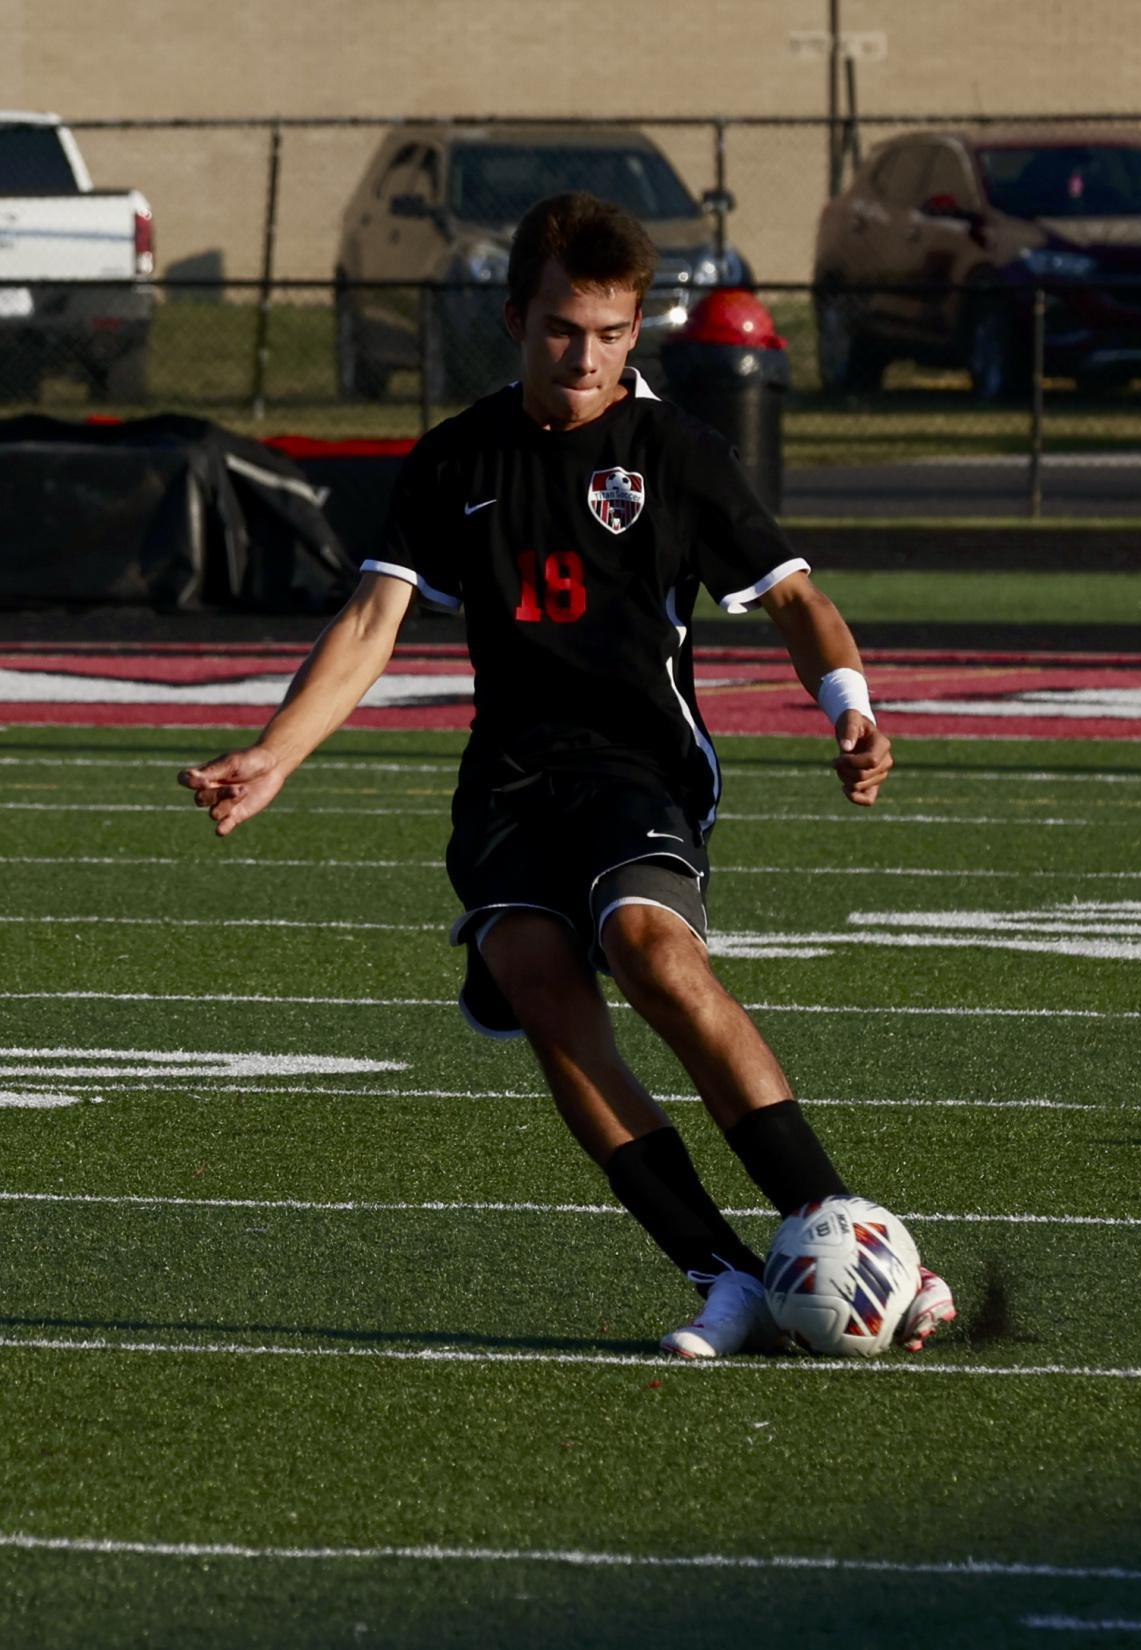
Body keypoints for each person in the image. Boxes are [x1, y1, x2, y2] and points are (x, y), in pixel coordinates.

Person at [179, 191, 955, 1360]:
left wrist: (849, 707)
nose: (583, 357)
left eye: (608, 332)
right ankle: (722, 1276)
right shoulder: (456, 457)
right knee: (542, 988)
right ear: (513, 319)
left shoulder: (677, 453)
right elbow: (373, 621)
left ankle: (848, 1229)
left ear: (636, 325)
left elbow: (794, 596)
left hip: (639, 761)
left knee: (650, 951)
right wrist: (276, 753)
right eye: (559, 331)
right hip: (508, 778)